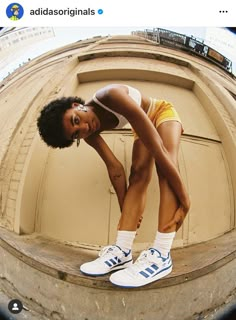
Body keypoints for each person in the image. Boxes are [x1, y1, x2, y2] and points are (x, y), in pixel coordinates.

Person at [37, 83, 190, 288]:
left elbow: (159, 150)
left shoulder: (111, 95)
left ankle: (162, 254)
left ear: (76, 105)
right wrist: (126, 213)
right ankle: (123, 250)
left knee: (165, 168)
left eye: (76, 120)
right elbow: (115, 169)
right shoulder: (88, 133)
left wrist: (185, 200)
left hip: (161, 112)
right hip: (141, 127)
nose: (84, 128)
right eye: (75, 134)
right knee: (137, 175)